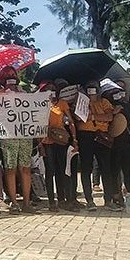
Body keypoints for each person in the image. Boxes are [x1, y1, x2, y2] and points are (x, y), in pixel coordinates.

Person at [0, 66, 36, 215]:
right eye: (7, 76)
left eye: (13, 75)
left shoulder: (24, 92)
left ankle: (26, 202)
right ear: (2, 79)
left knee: (25, 168)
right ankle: (13, 202)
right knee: (10, 168)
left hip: (24, 134)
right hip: (8, 135)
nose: (11, 78)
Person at [100, 79, 130, 210]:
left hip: (127, 143)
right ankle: (116, 198)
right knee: (113, 172)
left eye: (119, 91)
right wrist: (112, 112)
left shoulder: (126, 105)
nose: (117, 94)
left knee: (129, 171)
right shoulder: (104, 105)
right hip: (111, 144)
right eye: (113, 91)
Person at [74, 80, 116, 211]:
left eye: (95, 87)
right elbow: (78, 118)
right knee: (86, 168)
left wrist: (93, 117)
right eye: (89, 87)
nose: (92, 90)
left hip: (102, 136)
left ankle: (108, 200)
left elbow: (109, 117)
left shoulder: (104, 102)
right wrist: (94, 115)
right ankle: (89, 200)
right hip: (85, 136)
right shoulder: (80, 102)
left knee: (106, 168)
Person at [38, 80, 77, 212]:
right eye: (47, 89)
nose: (50, 90)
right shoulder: (40, 104)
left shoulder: (62, 103)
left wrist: (74, 139)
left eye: (52, 88)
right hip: (46, 142)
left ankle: (62, 200)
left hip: (61, 141)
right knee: (50, 171)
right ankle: (51, 202)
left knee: (62, 170)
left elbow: (70, 122)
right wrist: (39, 145)